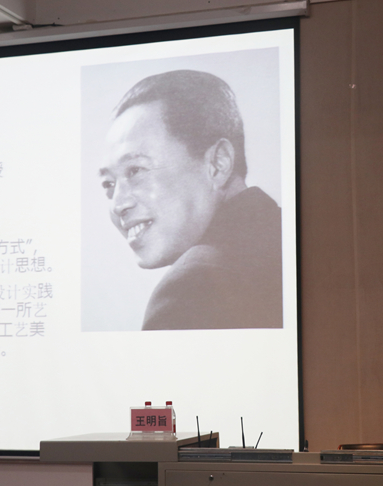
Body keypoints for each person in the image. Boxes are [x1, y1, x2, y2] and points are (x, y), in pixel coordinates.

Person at [99, 70, 283, 330]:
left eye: (136, 170)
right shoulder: (287, 237)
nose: (118, 205)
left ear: (218, 164)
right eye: (108, 184)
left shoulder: (195, 285)